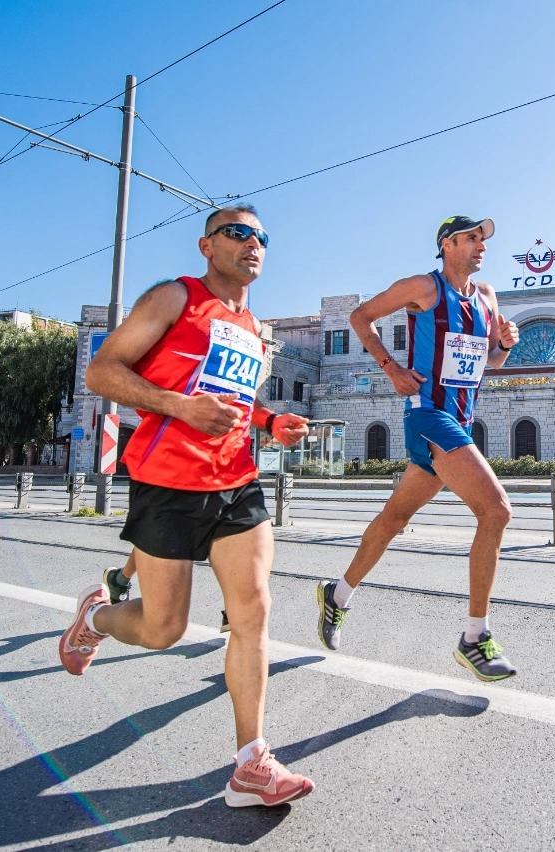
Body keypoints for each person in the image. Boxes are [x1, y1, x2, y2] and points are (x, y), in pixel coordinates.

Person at [60, 203, 314, 808]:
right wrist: (177, 407)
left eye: (262, 237)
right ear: (207, 246)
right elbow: (101, 372)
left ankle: (251, 764)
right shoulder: (175, 297)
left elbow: (231, 400)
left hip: (236, 482)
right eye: (238, 233)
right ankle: (95, 619)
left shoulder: (252, 326)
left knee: (252, 613)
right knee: (163, 628)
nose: (253, 244)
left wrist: (270, 419)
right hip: (167, 482)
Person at [315, 215, 521, 682]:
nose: (481, 245)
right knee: (496, 511)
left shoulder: (487, 297)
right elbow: (359, 317)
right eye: (471, 238)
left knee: (395, 519)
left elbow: (489, 360)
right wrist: (390, 368)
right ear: (447, 244)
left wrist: (504, 346)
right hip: (428, 415)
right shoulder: (422, 288)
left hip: (461, 418)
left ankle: (337, 596)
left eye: (482, 239)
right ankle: (474, 638)